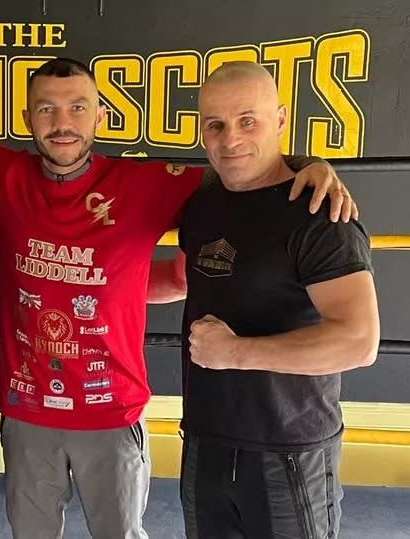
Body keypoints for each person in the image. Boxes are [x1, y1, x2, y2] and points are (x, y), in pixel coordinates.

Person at [0, 57, 357, 539]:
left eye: (78, 107)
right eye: (47, 109)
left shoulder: (147, 183)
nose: (63, 123)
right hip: (29, 411)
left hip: (113, 413)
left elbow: (248, 170)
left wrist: (311, 165)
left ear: (101, 114)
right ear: (28, 118)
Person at [150, 61, 380, 538]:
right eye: (215, 124)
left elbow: (359, 341)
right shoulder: (202, 203)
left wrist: (237, 352)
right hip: (206, 439)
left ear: (279, 120)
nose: (230, 138)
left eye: (247, 120)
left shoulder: (320, 214)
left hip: (288, 449)